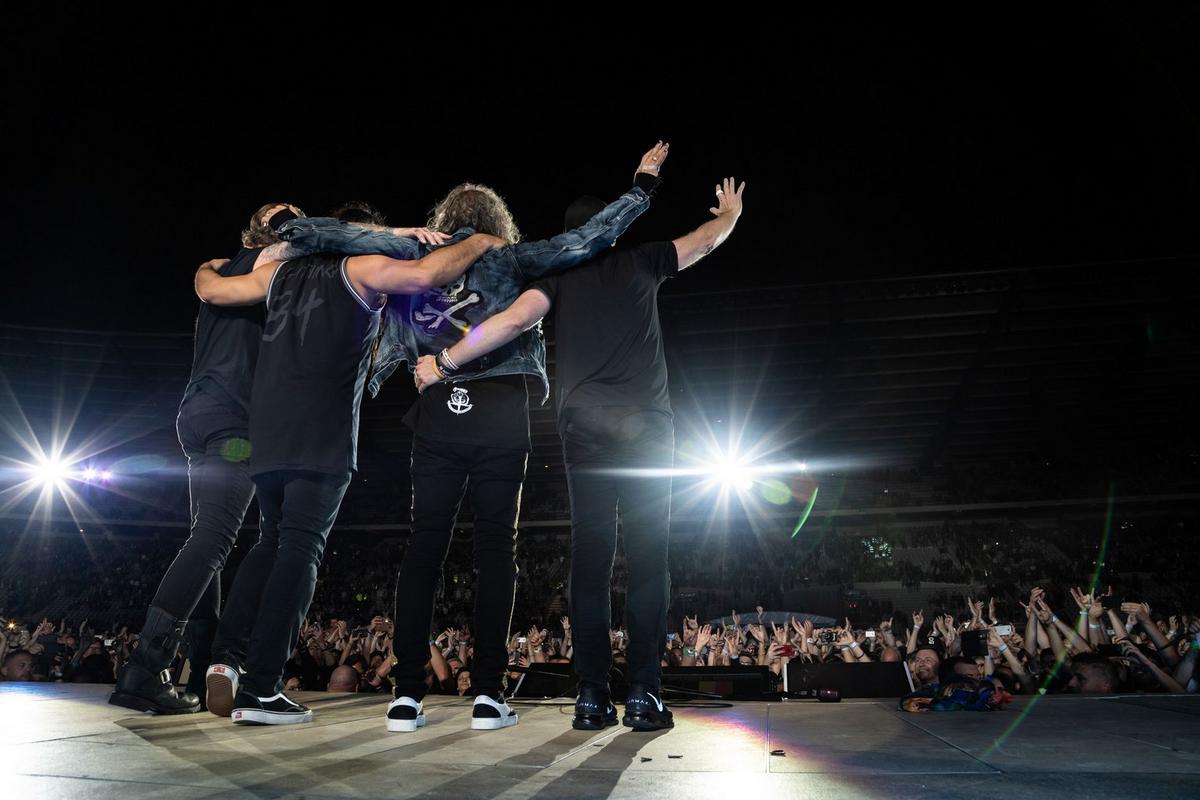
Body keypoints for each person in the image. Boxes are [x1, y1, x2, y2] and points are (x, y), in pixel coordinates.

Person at [275, 142, 668, 734]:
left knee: (424, 548)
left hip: (437, 413)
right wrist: (640, 188)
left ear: (444, 219)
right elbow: (587, 240)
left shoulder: (418, 255)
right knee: (496, 553)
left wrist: (291, 227)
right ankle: (487, 694)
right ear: (495, 222)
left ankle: (407, 696)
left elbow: (345, 241)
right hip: (501, 414)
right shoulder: (512, 257)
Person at [413, 174, 746, 732]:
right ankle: (643, 694)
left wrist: (445, 362)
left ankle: (591, 696)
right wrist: (730, 214)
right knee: (648, 559)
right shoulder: (642, 259)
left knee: (590, 558)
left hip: (585, 427)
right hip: (646, 426)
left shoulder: (558, 276)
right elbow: (704, 240)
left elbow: (511, 321)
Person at [195, 230, 503, 725]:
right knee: (300, 548)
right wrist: (482, 241)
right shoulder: (359, 268)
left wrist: (207, 266)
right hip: (320, 431)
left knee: (268, 542)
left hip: (265, 430)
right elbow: (429, 274)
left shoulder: (278, 273)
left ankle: (225, 659)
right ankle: (261, 688)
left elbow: (212, 290)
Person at [108, 203, 303, 715]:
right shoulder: (278, 272)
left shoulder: (216, 268)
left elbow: (208, 281)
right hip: (234, 425)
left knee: (208, 536)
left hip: (195, 416)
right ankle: (145, 667)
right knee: (215, 538)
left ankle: (197, 669)